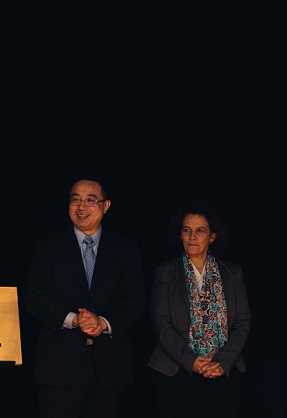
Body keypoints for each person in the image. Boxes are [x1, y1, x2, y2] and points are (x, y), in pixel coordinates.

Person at [24, 176, 146, 418]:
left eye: (90, 200)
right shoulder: (47, 246)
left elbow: (134, 298)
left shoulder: (126, 249)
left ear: (106, 205)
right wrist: (75, 319)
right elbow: (35, 297)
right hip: (59, 368)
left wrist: (103, 322)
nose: (81, 207)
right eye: (75, 200)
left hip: (110, 368)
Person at [148, 203, 251, 418]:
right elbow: (161, 325)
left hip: (223, 371)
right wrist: (192, 361)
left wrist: (222, 362)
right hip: (176, 373)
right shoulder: (165, 273)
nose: (192, 236)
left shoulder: (233, 272)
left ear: (212, 237)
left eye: (200, 231)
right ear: (180, 236)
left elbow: (242, 321)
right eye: (187, 230)